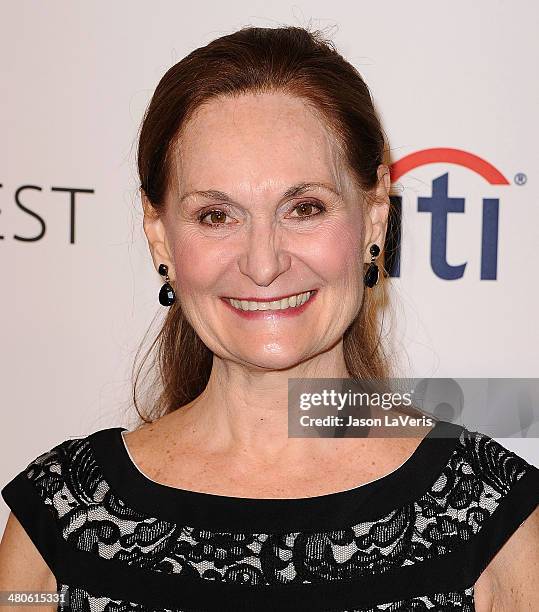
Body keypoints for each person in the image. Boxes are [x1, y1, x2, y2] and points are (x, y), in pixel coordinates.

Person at [1, 25, 538, 612]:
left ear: (375, 216)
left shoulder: (495, 520)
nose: (263, 264)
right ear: (159, 236)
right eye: (215, 215)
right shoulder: (57, 520)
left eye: (305, 208)